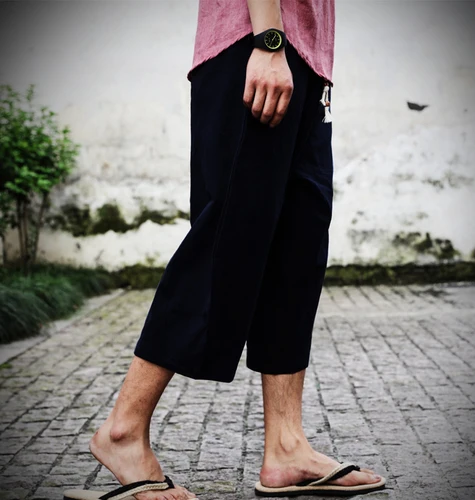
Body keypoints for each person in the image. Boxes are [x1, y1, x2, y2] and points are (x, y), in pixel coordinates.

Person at [64, 1, 386, 499]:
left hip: (309, 62)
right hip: (255, 46)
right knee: (227, 241)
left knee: (296, 252)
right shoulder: (264, 45)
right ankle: (123, 430)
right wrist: (269, 40)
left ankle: (286, 447)